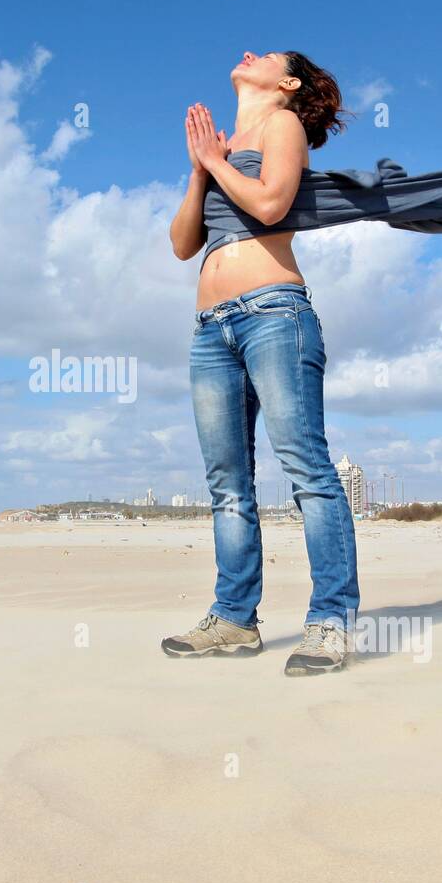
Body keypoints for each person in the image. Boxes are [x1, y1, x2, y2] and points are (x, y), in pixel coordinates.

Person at [162, 51, 358, 676]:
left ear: (287, 83)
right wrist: (200, 170)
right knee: (227, 484)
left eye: (266, 55)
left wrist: (217, 161)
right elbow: (182, 244)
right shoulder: (223, 147)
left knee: (307, 470)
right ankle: (235, 620)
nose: (249, 55)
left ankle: (330, 622)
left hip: (274, 313)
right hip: (209, 328)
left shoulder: (283, 127)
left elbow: (272, 205)